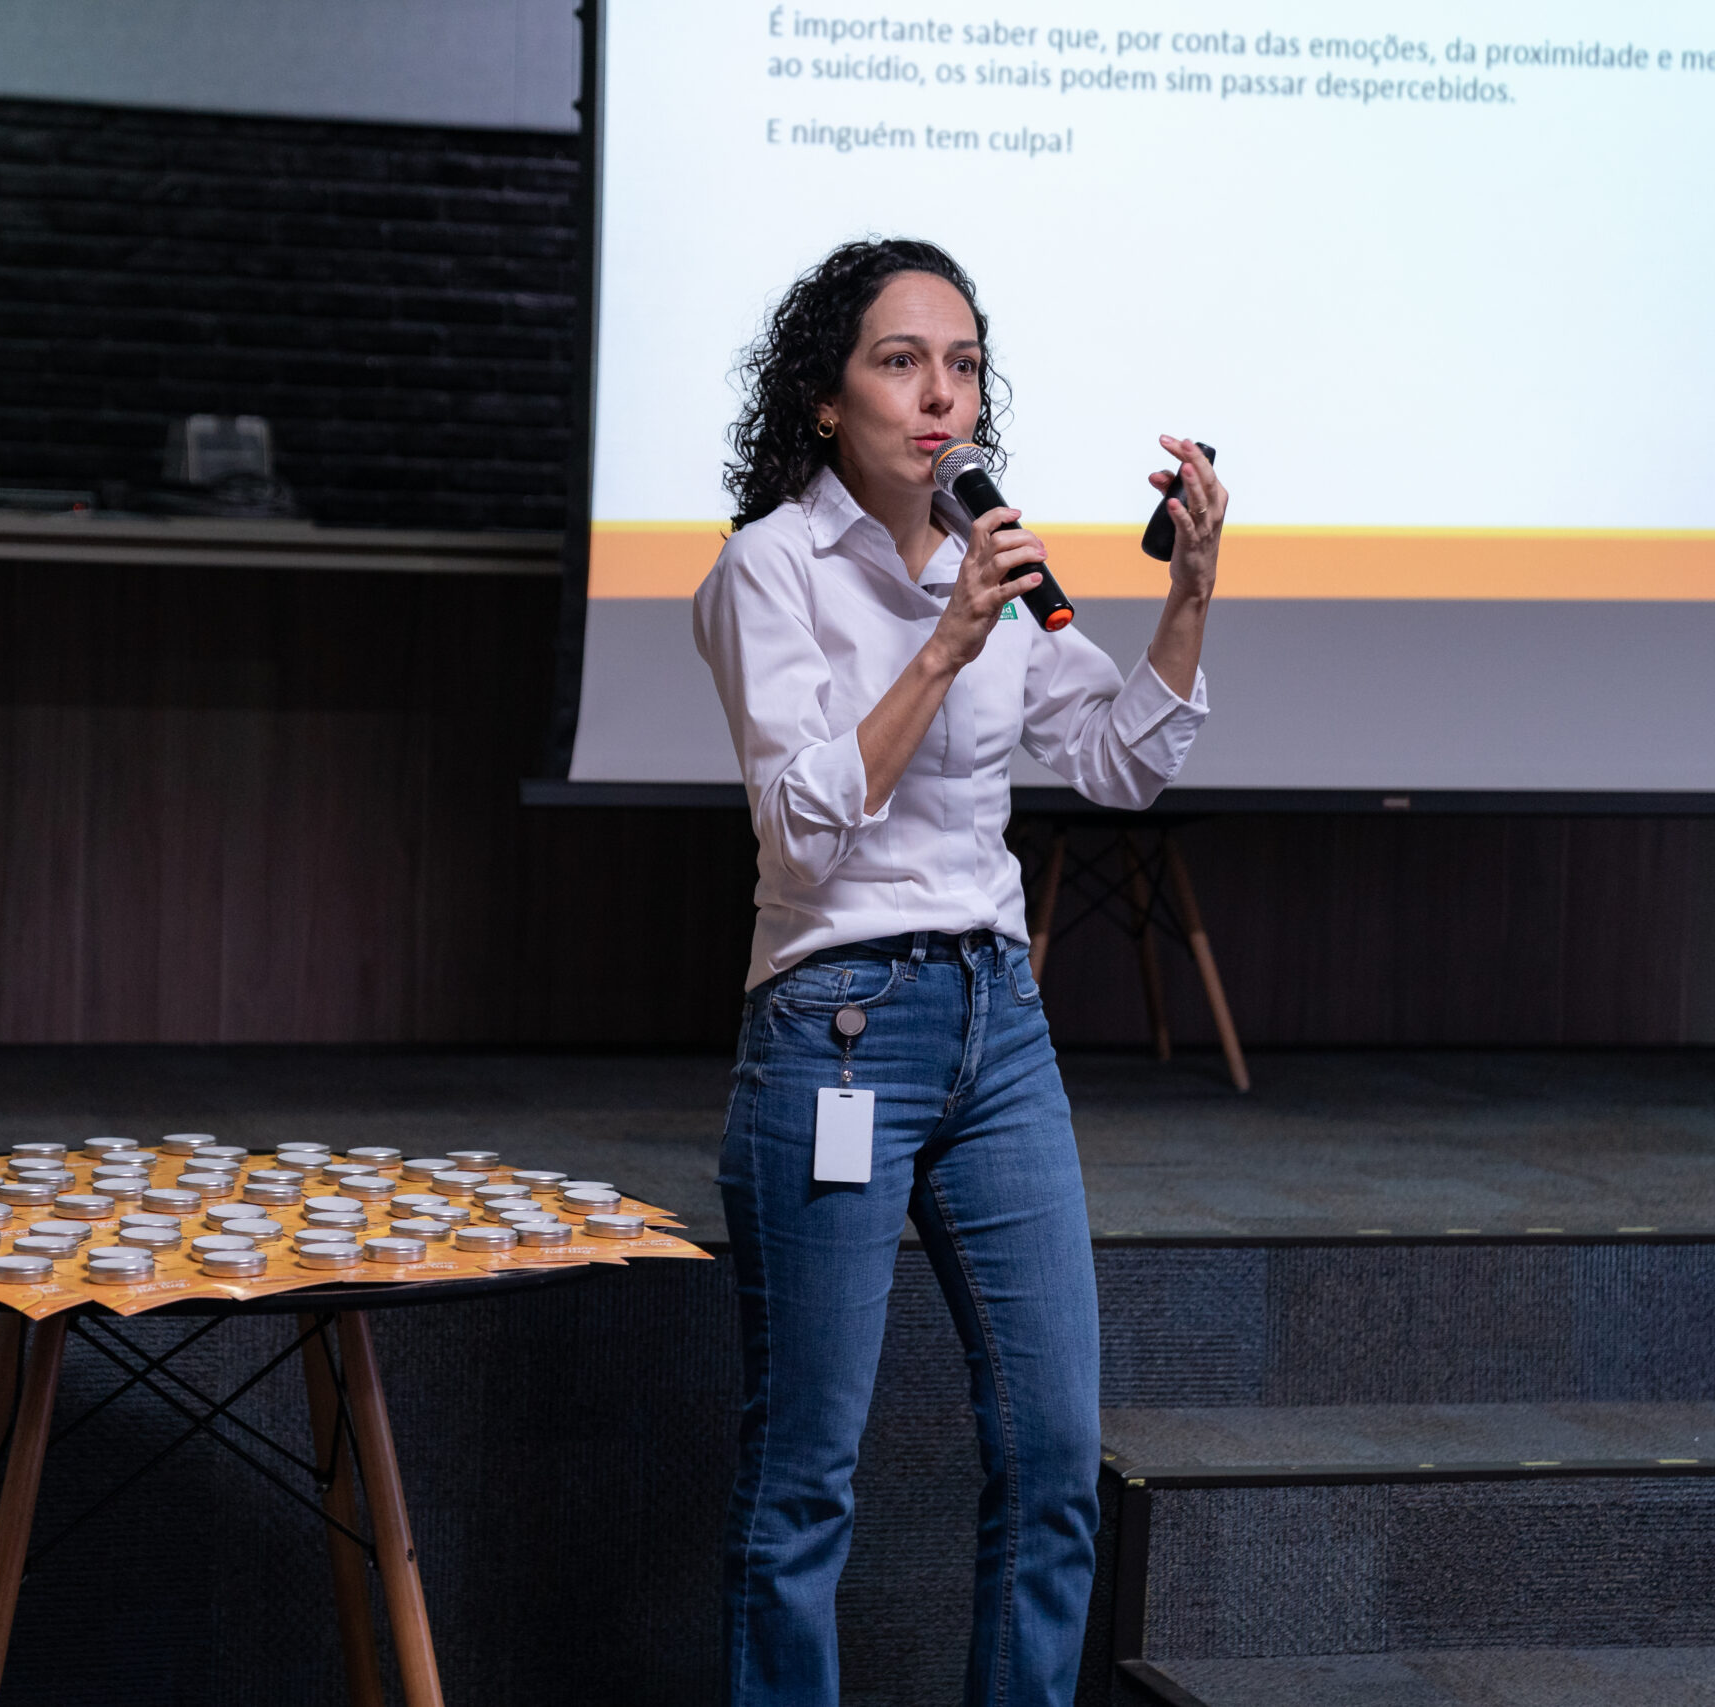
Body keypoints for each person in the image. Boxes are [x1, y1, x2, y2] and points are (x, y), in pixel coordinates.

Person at [692, 237, 1225, 1707]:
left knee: (1054, 1455)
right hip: (838, 1029)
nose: (943, 396)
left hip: (999, 1026)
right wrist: (942, 644)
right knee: (806, 1471)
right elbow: (803, 829)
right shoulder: (770, 569)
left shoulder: (997, 557)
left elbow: (1118, 763)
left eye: (966, 365)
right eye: (902, 361)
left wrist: (1188, 593)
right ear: (825, 397)